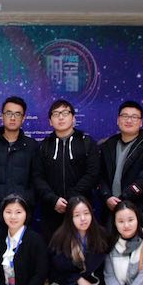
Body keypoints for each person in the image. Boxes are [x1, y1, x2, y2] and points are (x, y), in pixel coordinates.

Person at [34, 99, 101, 244]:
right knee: (53, 250)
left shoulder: (87, 143)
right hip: (51, 210)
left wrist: (72, 198)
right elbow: (37, 177)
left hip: (81, 210)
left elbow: (93, 174)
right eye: (56, 114)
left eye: (65, 113)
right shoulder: (43, 146)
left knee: (81, 250)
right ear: (50, 121)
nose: (61, 117)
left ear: (73, 118)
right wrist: (53, 199)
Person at [99, 101, 143, 233]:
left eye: (134, 117)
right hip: (111, 211)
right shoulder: (107, 146)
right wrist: (107, 196)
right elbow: (100, 176)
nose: (129, 120)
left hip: (139, 211)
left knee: (142, 245)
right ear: (118, 120)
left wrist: (122, 199)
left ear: (141, 122)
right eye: (125, 116)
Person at [0, 96, 39, 247]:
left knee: (22, 255)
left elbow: (36, 179)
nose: (13, 118)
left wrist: (27, 203)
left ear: (23, 118)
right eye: (9, 113)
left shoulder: (32, 146)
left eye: (17, 114)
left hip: (22, 214)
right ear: (2, 116)